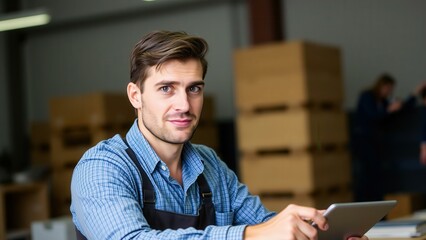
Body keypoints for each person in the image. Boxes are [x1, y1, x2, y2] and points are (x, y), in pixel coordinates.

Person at [71, 30, 368, 240]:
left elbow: (265, 225)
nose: (184, 105)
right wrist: (251, 236)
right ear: (135, 96)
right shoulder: (103, 167)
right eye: (166, 89)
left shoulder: (209, 165)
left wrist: (318, 235)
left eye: (194, 89)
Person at [352, 74, 419, 201]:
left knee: (376, 175)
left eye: (391, 89)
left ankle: (376, 204)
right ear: (381, 85)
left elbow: (401, 109)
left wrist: (414, 94)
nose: (389, 92)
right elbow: (373, 116)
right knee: (365, 176)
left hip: (376, 143)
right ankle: (363, 203)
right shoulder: (367, 96)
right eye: (387, 88)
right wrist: (389, 110)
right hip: (364, 142)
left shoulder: (383, 101)